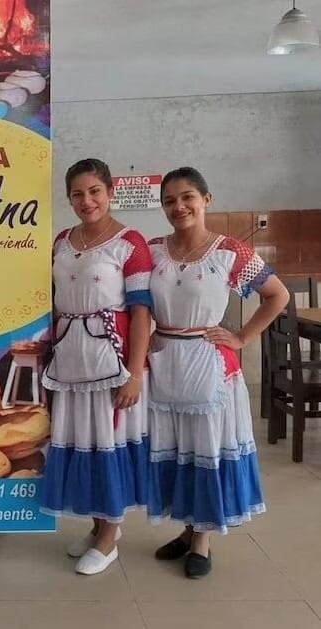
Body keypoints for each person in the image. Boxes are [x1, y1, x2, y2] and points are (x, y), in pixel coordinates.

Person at [147, 167, 288, 578]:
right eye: (170, 200)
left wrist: (242, 336)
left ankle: (203, 540)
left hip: (208, 364)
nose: (179, 206)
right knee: (177, 449)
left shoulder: (230, 252)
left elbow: (276, 295)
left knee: (206, 448)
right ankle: (187, 528)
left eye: (187, 197)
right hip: (164, 360)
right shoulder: (154, 251)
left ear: (206, 199)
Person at [41, 158, 153, 575]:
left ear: (109, 192)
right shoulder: (61, 241)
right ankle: (97, 527)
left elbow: (140, 312)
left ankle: (109, 538)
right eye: (77, 194)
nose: (86, 201)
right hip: (71, 360)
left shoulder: (130, 243)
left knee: (107, 442)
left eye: (94, 191)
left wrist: (135, 373)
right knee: (82, 443)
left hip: (112, 361)